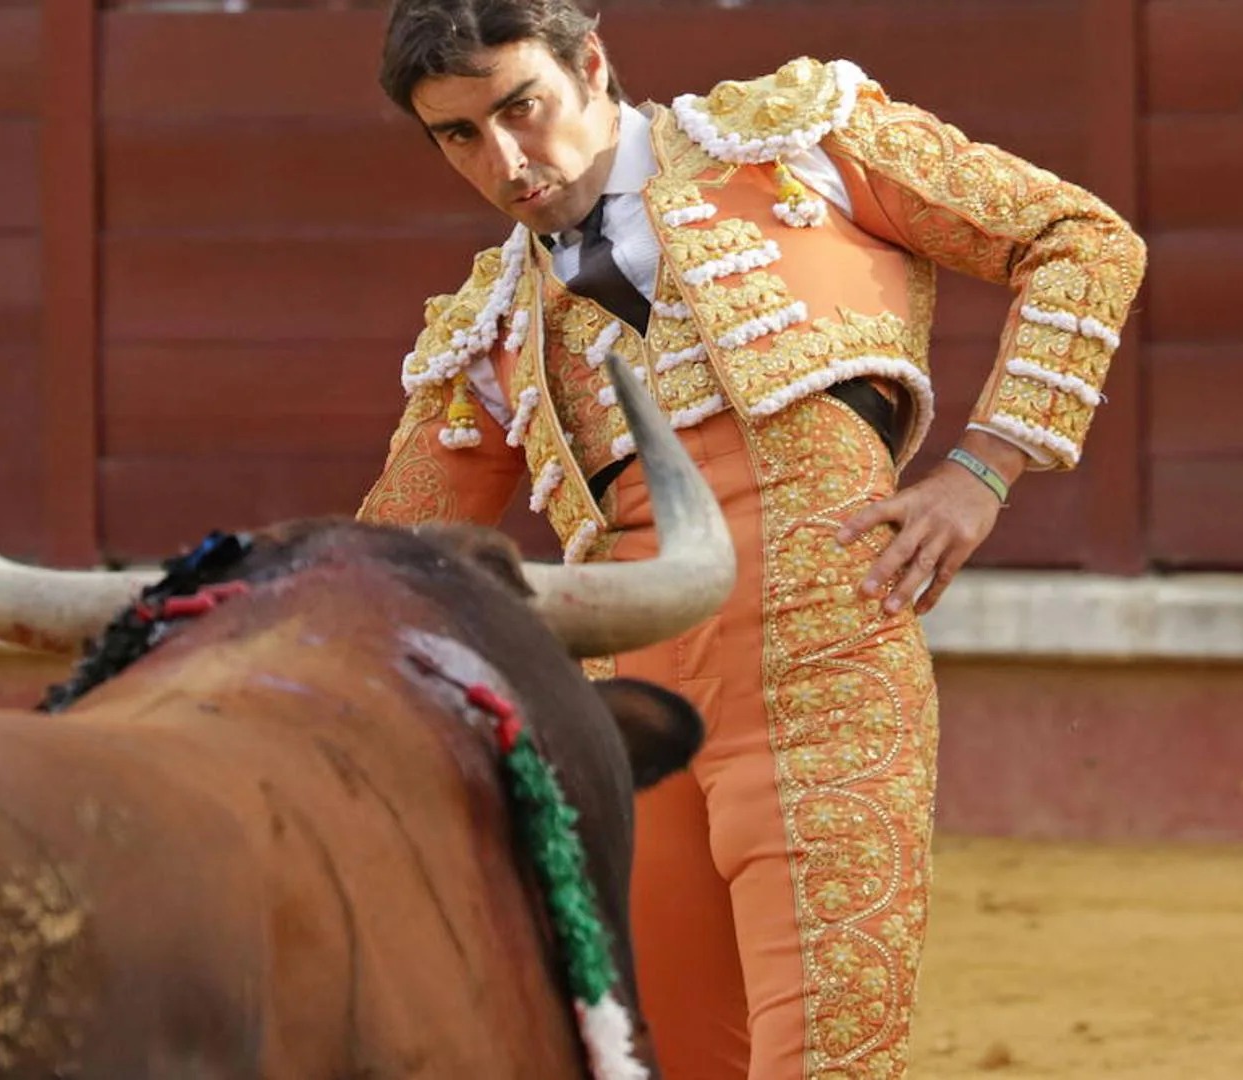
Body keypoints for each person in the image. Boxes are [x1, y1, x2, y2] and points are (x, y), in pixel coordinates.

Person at [354, 1, 1146, 1076]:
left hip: (828, 687)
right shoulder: (489, 330)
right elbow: (377, 565)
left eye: (521, 109)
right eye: (458, 136)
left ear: (591, 63)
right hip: (633, 734)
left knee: (823, 1061)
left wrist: (983, 469)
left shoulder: (799, 144)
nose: (505, 160)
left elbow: (1082, 241)